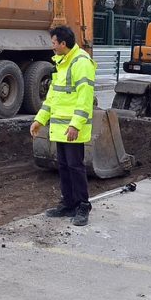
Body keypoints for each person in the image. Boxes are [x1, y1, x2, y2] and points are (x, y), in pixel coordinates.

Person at [29, 25, 97, 227]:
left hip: (73, 128)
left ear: (63, 44)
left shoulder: (81, 63)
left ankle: (83, 205)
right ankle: (68, 203)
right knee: (65, 166)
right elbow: (53, 97)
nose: (52, 47)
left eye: (54, 43)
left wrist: (76, 124)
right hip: (60, 128)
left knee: (75, 167)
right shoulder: (62, 62)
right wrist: (39, 120)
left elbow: (85, 99)